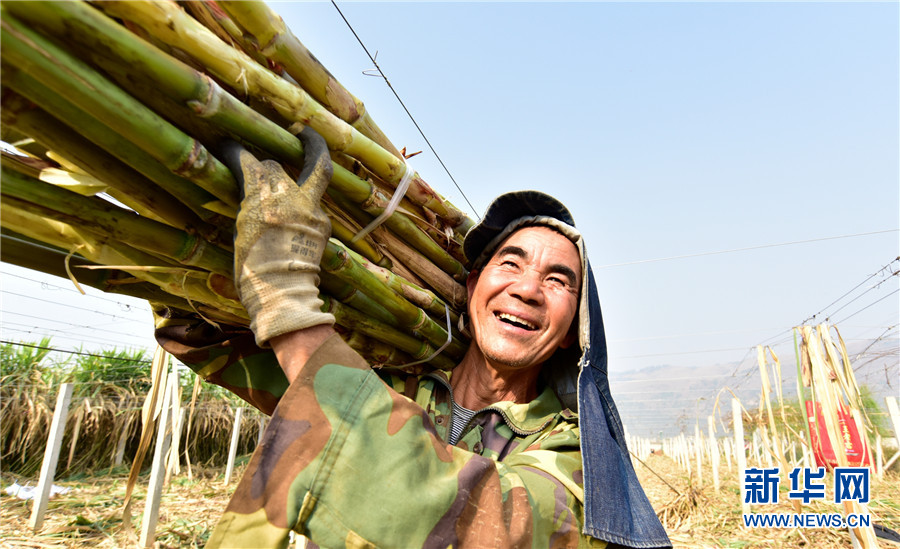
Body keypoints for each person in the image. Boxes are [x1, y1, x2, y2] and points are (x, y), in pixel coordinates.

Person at [154, 128, 671, 548]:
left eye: (558, 281)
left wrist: (287, 294)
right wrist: (194, 206)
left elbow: (489, 525)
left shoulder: (576, 454)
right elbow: (204, 334)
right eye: (509, 263)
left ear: (571, 335)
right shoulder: (389, 375)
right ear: (473, 289)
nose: (528, 289)